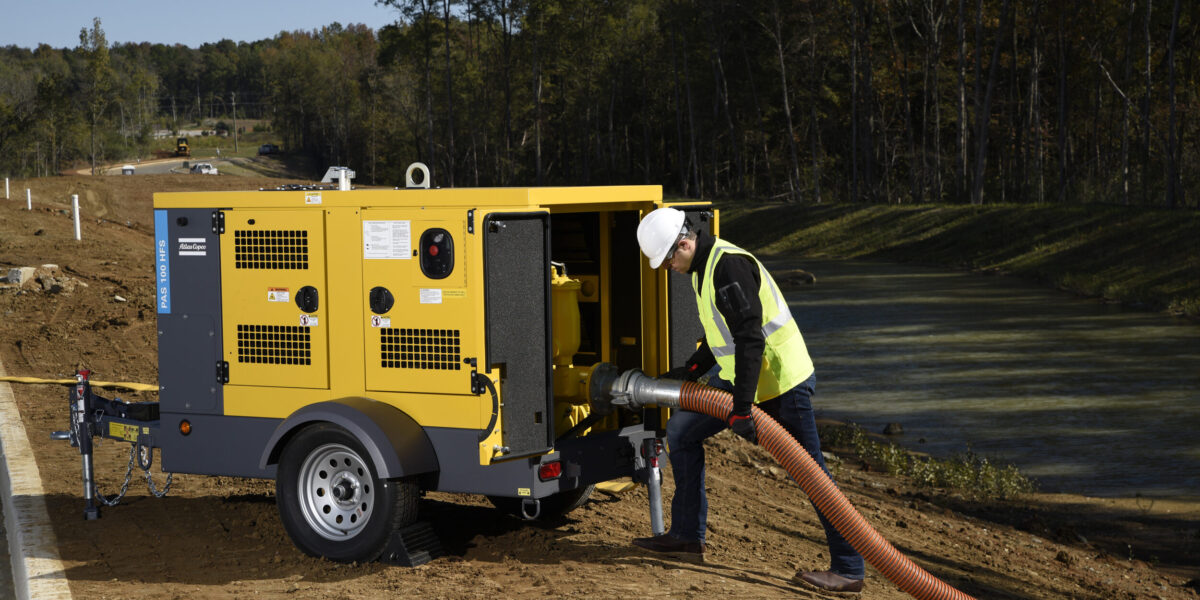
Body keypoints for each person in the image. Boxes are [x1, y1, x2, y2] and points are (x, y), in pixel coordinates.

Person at [631, 207, 866, 594]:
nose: (668, 267)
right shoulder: (702, 269)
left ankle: (849, 568)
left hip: (781, 385)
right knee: (682, 431)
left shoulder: (728, 267)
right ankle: (688, 537)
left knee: (812, 474)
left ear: (685, 243)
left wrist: (740, 410)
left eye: (668, 258)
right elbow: (719, 334)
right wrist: (691, 370)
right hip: (746, 382)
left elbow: (751, 338)